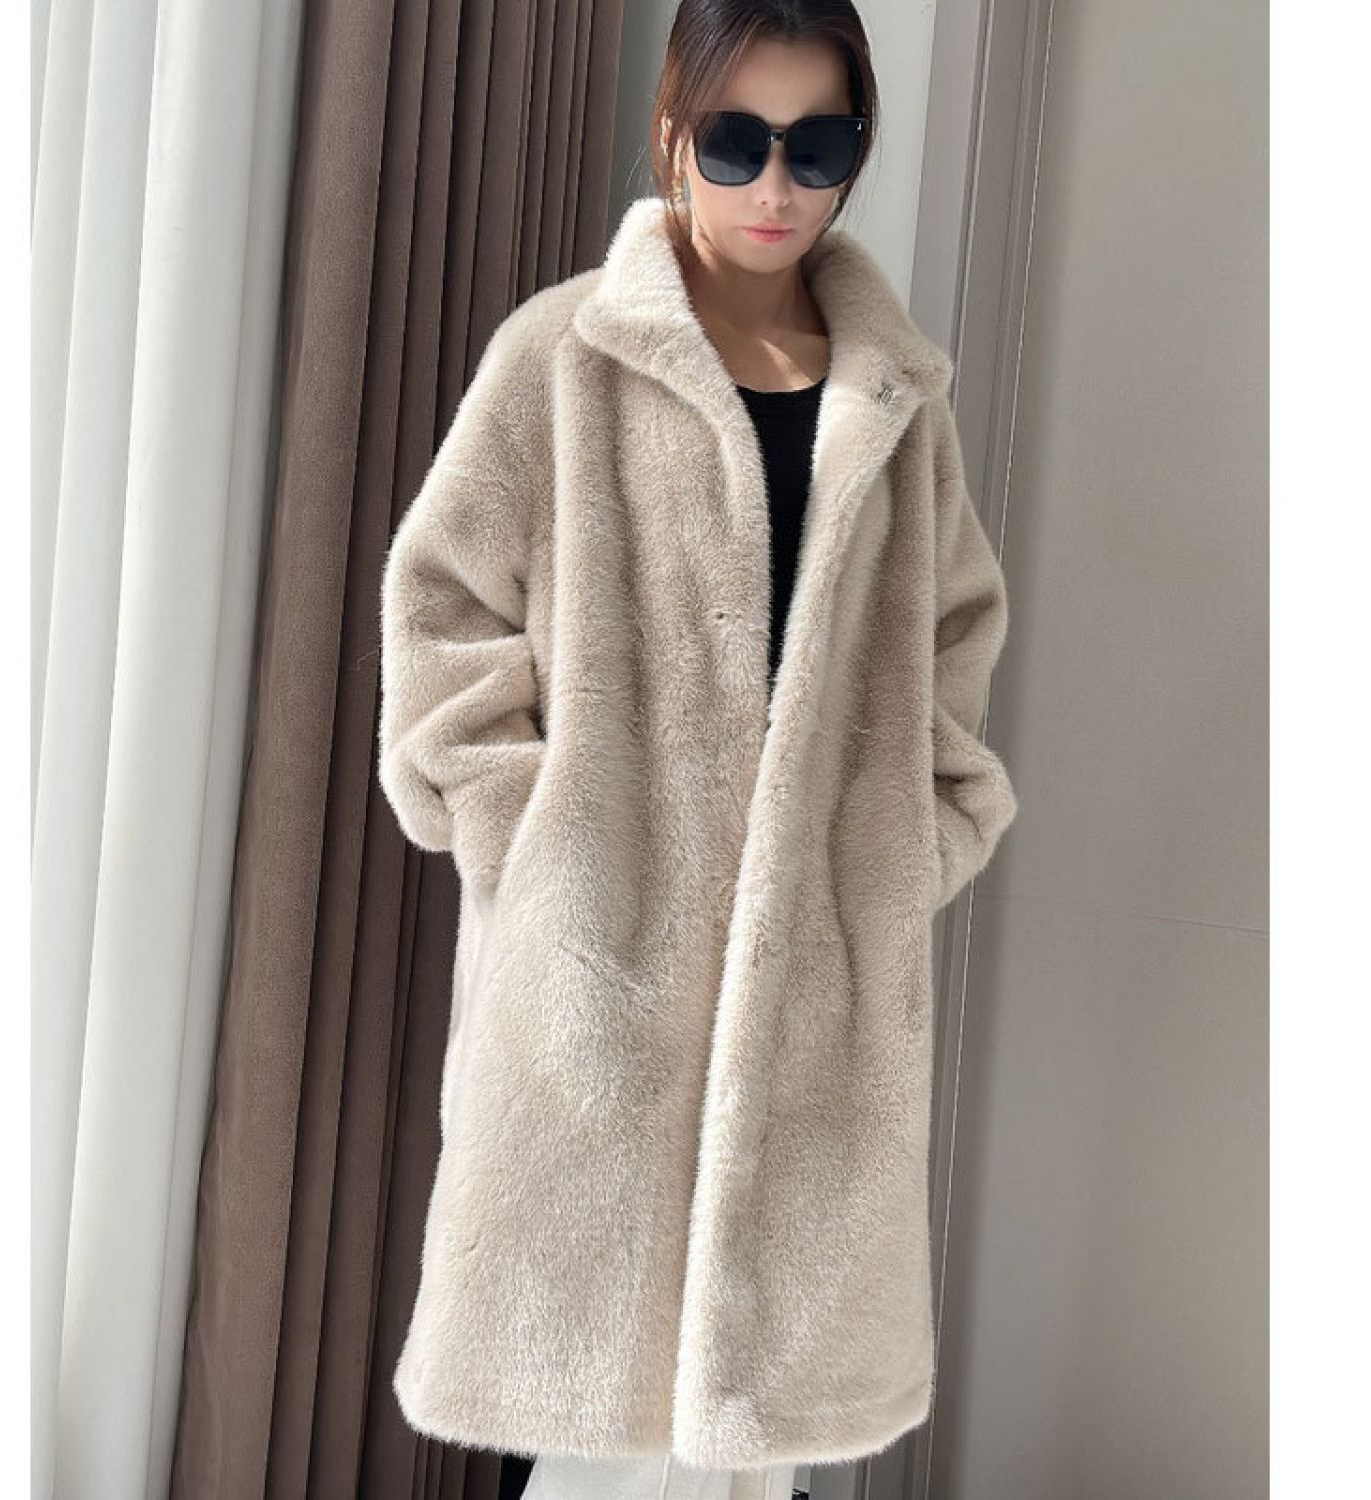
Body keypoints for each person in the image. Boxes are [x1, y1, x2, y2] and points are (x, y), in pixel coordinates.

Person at [377, 0, 1017, 1492]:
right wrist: (536, 843)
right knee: (598, 1443)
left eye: (818, 145)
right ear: (674, 130)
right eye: (736, 141)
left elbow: (955, 637)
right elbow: (443, 610)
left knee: (753, 1448)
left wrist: (905, 850)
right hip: (601, 972)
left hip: (815, 986)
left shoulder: (895, 402)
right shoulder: (566, 357)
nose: (774, 185)